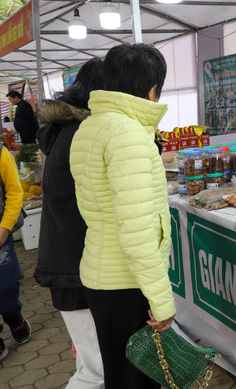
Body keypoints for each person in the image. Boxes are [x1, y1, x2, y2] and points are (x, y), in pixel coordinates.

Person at [70, 43, 174, 388]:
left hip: (102, 274)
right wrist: (161, 300)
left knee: (120, 372)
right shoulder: (128, 135)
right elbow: (137, 230)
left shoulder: (91, 126)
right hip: (126, 281)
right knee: (139, 378)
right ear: (151, 90)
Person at [35, 58, 104, 387]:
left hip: (68, 259)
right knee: (96, 370)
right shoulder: (82, 133)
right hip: (73, 265)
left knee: (94, 361)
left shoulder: (63, 128)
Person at [0, 142, 32, 361]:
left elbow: (14, 192)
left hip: (0, 233)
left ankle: (14, 317)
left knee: (6, 287)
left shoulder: (1, 153)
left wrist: (4, 229)